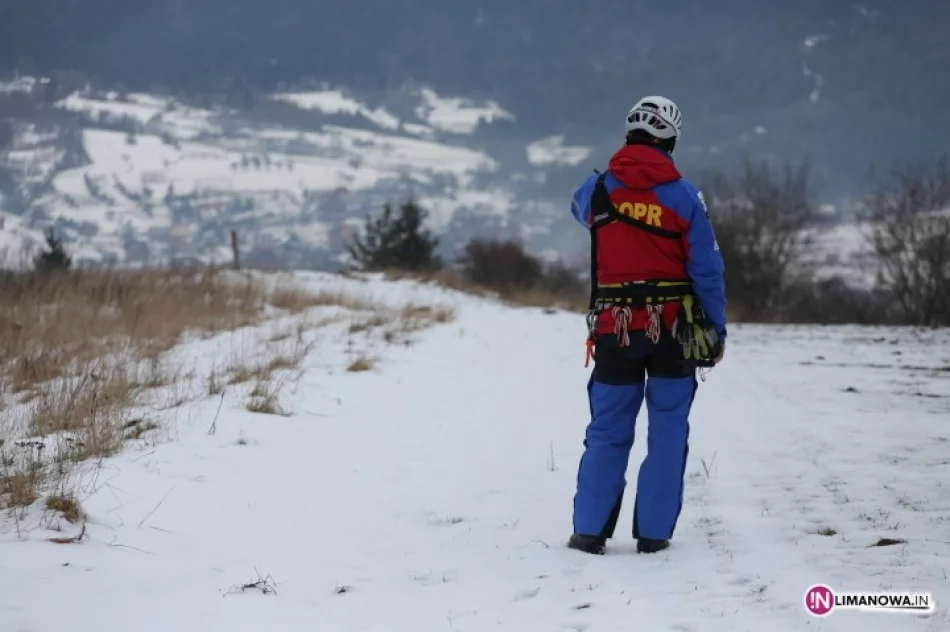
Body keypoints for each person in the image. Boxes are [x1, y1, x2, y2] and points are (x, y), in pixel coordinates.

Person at [567, 96, 727, 555]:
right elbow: (708, 270)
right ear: (672, 138)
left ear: (628, 134)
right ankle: (654, 536)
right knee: (668, 427)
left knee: (608, 428)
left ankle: (589, 532)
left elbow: (582, 216)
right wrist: (716, 330)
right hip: (674, 331)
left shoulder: (594, 191)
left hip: (614, 329)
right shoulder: (685, 196)